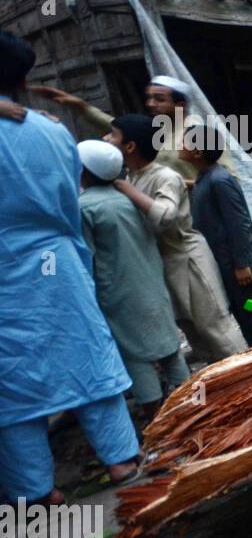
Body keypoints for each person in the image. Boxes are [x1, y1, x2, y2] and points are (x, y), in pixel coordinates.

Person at [0, 34, 141, 505]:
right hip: (58, 260)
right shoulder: (53, 131)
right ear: (22, 80)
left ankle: (37, 491)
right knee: (86, 355)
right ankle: (122, 459)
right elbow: (69, 200)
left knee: (12, 383)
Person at [106, 113, 247, 362]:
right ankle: (219, 380)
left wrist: (125, 189)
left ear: (129, 146)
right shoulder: (133, 176)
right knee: (190, 328)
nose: (106, 138)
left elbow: (165, 216)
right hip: (163, 262)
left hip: (188, 259)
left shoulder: (164, 177)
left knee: (214, 325)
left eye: (112, 134)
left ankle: (251, 376)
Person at [77, 139, 189, 419]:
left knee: (136, 356)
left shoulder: (84, 208)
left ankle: (157, 420)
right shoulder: (131, 197)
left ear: (85, 172)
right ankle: (193, 405)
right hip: (152, 284)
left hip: (117, 292)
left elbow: (86, 258)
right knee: (169, 348)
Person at [181, 138, 252, 346]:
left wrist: (242, 264)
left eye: (184, 143)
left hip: (237, 262)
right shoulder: (206, 178)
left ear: (197, 152)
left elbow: (239, 224)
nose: (179, 146)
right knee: (242, 313)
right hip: (224, 260)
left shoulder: (220, 180)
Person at [33, 74, 205, 180]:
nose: (150, 104)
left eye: (159, 99)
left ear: (180, 105)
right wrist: (81, 106)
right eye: (149, 98)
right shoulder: (156, 127)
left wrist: (176, 183)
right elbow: (120, 128)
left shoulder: (198, 133)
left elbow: (228, 179)